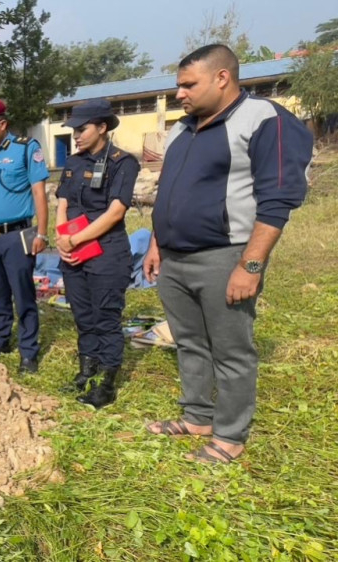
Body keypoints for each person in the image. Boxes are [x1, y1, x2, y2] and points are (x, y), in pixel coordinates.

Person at [142, 44, 312, 463]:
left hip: (226, 256)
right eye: (178, 85)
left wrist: (250, 266)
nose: (179, 93)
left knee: (231, 349)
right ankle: (198, 417)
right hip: (175, 258)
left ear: (222, 77)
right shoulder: (183, 130)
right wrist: (155, 242)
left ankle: (230, 436)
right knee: (188, 342)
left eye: (188, 84)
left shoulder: (262, 119)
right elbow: (169, 193)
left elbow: (278, 199)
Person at [54, 99, 140, 408]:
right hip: (73, 253)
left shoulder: (123, 163)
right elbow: (62, 202)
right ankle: (85, 372)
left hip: (106, 254)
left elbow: (116, 212)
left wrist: (74, 240)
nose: (75, 135)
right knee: (83, 315)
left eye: (81, 129)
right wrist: (62, 239)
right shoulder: (74, 162)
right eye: (74, 130)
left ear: (102, 128)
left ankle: (106, 383)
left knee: (106, 317)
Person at [0, 100, 50, 374]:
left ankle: (28, 351)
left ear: (3, 124)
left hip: (16, 236)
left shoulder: (26, 149)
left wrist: (42, 232)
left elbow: (39, 192)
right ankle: (0, 340)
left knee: (23, 295)